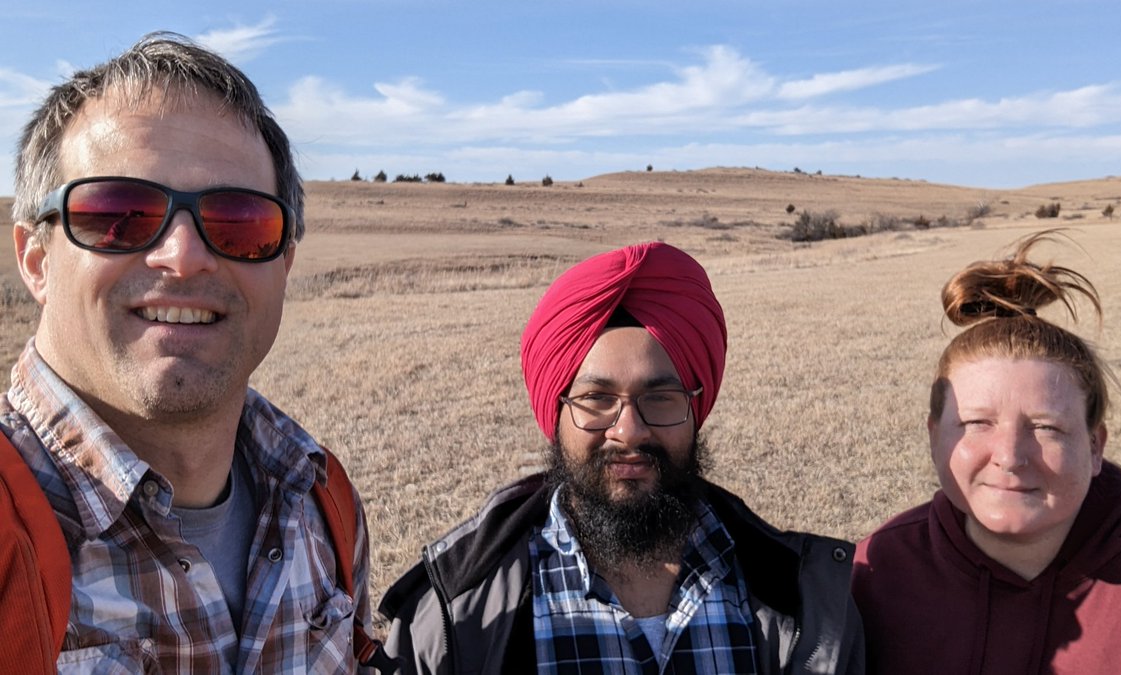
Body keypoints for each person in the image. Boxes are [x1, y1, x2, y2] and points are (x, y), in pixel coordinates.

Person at [3, 33, 373, 672]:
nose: (182, 256)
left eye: (240, 224)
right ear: (36, 260)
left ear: (283, 265)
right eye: (117, 212)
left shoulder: (322, 503)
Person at [379, 241, 864, 674]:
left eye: (660, 397)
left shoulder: (803, 600)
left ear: (696, 408)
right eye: (596, 399)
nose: (628, 430)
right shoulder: (455, 616)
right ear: (557, 412)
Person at [851, 230, 1121, 674]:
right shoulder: (876, 572)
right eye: (977, 423)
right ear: (934, 437)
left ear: (1095, 447)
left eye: (1046, 427)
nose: (1010, 456)